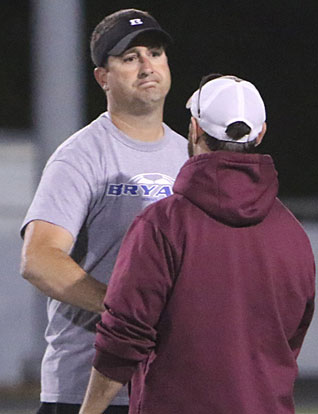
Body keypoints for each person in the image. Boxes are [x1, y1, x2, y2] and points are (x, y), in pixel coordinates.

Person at [79, 74, 316, 414]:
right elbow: (288, 339)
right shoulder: (293, 235)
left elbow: (122, 339)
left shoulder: (162, 224)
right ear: (260, 133)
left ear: (194, 128)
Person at [20, 8, 188, 414]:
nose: (147, 65)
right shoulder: (80, 156)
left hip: (170, 389)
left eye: (155, 53)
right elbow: (39, 259)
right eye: (130, 58)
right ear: (102, 77)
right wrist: (127, 309)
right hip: (85, 390)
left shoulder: (191, 155)